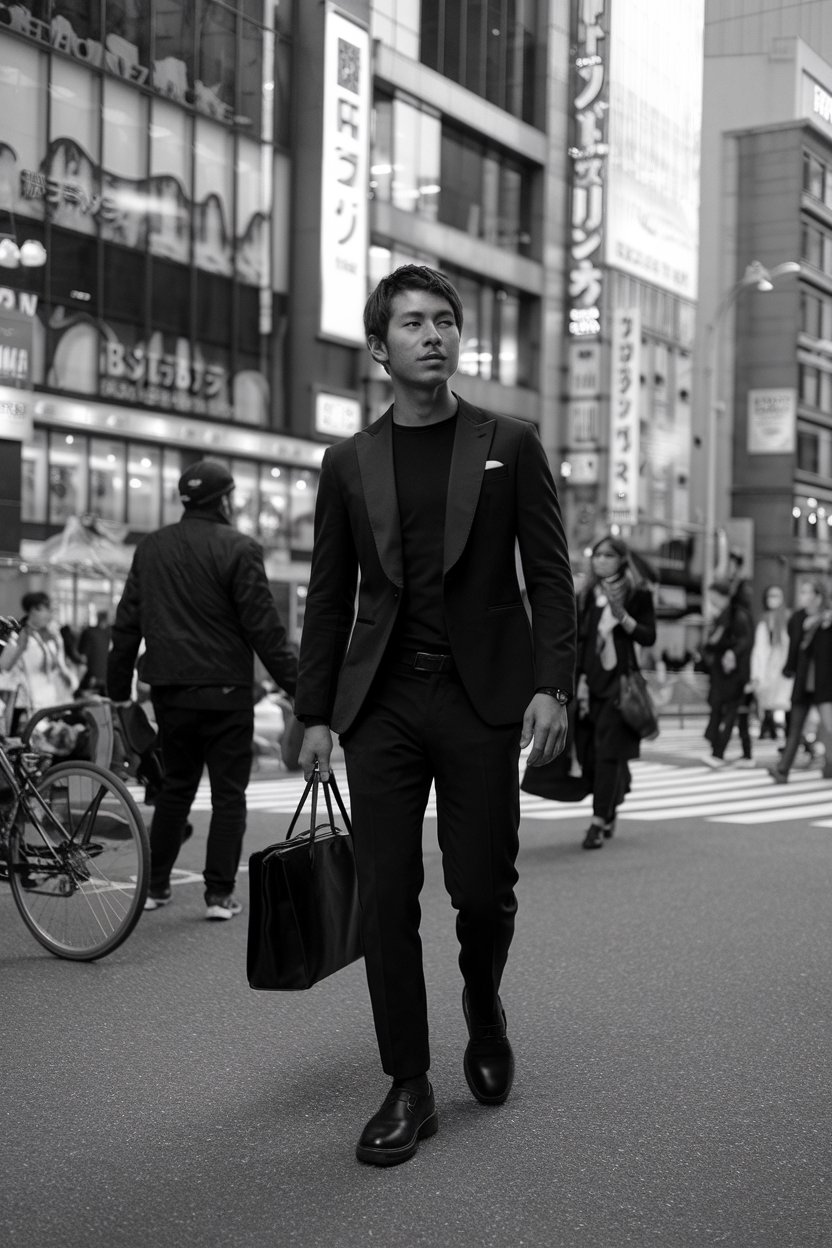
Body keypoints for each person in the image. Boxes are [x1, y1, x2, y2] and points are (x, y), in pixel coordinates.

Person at [294, 264, 576, 1166]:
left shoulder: (511, 444)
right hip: (381, 703)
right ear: (381, 347)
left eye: (445, 320)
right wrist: (313, 714)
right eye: (413, 322)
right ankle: (408, 1082)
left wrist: (553, 685)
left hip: (481, 698)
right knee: (385, 895)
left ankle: (483, 1006)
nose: (433, 334)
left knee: (482, 889)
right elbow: (329, 598)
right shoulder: (348, 463)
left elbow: (551, 577)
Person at [107, 458, 298, 920]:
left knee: (175, 789)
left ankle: (155, 886)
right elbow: (264, 629)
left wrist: (117, 690)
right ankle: (219, 895)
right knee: (229, 794)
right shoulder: (239, 548)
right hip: (227, 692)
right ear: (225, 500)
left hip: (171, 690)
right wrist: (298, 687)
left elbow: (127, 624)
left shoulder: (152, 547)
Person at [574, 535, 657, 849]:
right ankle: (612, 801)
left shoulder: (637, 593)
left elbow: (648, 636)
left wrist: (623, 617)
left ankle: (597, 823)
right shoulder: (587, 594)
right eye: (596, 555)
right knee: (590, 756)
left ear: (622, 560)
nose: (600, 560)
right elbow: (580, 640)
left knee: (608, 754)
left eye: (608, 555)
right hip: (589, 684)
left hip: (619, 686)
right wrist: (578, 681)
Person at [767, 578, 832, 784]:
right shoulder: (797, 619)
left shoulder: (828, 619)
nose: (803, 596)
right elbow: (794, 648)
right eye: (802, 591)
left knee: (829, 728)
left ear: (818, 596)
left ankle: (830, 765)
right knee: (794, 728)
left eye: (807, 592)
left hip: (825, 683)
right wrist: (788, 669)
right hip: (803, 682)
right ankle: (783, 770)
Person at [701, 579, 753, 768]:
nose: (711, 600)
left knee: (730, 713)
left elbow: (743, 642)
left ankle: (719, 753)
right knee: (731, 713)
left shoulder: (736, 615)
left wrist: (731, 654)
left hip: (733, 674)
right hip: (724, 673)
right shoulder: (725, 615)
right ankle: (743, 754)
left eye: (712, 596)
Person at [0, 591, 75, 717]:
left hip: (51, 702)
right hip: (29, 706)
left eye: (50, 611)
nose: (49, 615)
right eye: (45, 610)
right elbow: (4, 668)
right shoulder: (20, 637)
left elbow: (58, 669)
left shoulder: (51, 638)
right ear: (32, 610)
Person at [750, 586, 792, 741]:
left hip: (785, 666)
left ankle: (789, 736)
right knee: (767, 700)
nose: (773, 599)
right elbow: (760, 649)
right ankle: (768, 727)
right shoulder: (764, 620)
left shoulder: (788, 618)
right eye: (770, 595)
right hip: (768, 666)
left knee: (786, 702)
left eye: (776, 595)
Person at [77, 609, 112, 694]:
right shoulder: (112, 633)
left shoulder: (89, 632)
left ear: (98, 618)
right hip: (108, 680)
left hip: (92, 681)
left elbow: (83, 658)